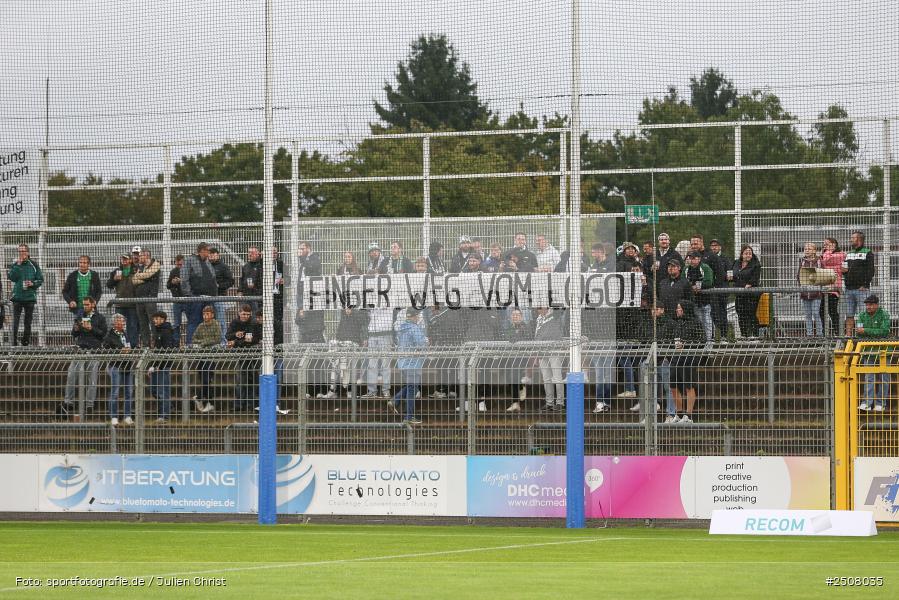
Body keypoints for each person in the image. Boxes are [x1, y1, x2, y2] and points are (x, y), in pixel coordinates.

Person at [57, 296, 106, 418]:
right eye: (84, 305)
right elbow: (74, 334)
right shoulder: (79, 316)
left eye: (87, 304)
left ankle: (89, 404)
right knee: (71, 374)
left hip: (94, 350)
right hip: (81, 349)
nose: (85, 307)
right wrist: (76, 328)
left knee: (92, 378)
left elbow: (103, 334)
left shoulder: (100, 318)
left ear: (93, 304)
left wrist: (91, 328)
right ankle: (68, 402)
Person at [661, 302, 705, 423]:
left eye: (679, 308)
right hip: (676, 358)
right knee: (673, 386)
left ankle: (688, 416)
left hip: (689, 358)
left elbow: (702, 341)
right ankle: (679, 414)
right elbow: (670, 339)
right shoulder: (677, 323)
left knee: (689, 386)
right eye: (677, 308)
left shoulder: (696, 323)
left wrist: (687, 345)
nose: (677, 310)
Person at [390, 308, 428, 423]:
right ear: (414, 316)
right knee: (412, 389)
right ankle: (408, 417)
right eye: (417, 316)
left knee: (412, 386)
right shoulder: (415, 329)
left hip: (402, 363)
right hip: (413, 363)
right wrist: (426, 342)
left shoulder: (401, 329)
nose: (418, 318)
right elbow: (421, 345)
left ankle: (395, 401)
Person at [856, 294, 891, 412]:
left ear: (877, 305)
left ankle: (881, 403)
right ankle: (866, 402)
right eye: (867, 305)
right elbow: (858, 333)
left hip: (883, 351)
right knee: (868, 377)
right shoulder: (861, 315)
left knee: (884, 378)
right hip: (868, 350)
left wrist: (866, 330)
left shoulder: (884, 314)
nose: (868, 307)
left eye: (871, 305)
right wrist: (867, 332)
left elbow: (884, 331)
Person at [180, 242, 218, 344]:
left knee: (208, 323)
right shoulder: (189, 260)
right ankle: (191, 346)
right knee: (194, 321)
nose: (209, 253)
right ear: (202, 251)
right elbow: (184, 279)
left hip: (209, 298)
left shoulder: (207, 262)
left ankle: (206, 346)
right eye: (208, 251)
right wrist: (189, 295)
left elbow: (213, 279)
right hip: (195, 298)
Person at [7, 243, 43, 346]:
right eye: (20, 251)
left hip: (29, 298)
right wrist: (18, 265)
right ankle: (13, 343)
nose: (21, 253)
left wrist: (33, 283)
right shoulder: (16, 264)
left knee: (28, 322)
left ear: (28, 252)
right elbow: (12, 277)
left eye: (23, 251)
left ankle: (25, 342)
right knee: (15, 322)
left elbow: (40, 279)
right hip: (17, 298)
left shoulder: (34, 264)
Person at [227, 304, 261, 411]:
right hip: (241, 354)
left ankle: (250, 405)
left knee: (252, 379)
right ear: (239, 313)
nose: (245, 316)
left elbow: (251, 339)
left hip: (252, 354)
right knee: (241, 380)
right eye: (243, 314)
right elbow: (227, 336)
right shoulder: (234, 323)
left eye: (247, 314)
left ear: (250, 314)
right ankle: (239, 404)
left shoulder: (253, 323)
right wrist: (236, 335)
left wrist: (235, 342)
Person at [501, 307, 534, 413]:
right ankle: (521, 387)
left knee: (514, 375)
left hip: (522, 356)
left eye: (517, 315)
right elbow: (507, 338)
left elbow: (526, 338)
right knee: (509, 376)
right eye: (513, 315)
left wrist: (515, 338)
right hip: (510, 356)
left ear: (521, 316)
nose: (515, 317)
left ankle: (516, 402)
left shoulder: (526, 327)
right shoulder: (509, 327)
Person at [843, 231, 876, 337]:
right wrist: (844, 271)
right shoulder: (849, 253)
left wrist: (865, 285)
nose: (850, 240)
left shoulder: (868, 252)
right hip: (848, 289)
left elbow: (871, 270)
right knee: (849, 314)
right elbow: (845, 269)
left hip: (861, 290)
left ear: (859, 240)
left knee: (862, 314)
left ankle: (861, 334)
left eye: (853, 238)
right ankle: (848, 336)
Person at [103, 314, 134, 426]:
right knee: (115, 392)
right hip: (115, 365)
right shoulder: (109, 335)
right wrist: (120, 351)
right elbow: (106, 350)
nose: (123, 323)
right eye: (120, 321)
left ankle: (127, 416)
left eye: (123, 321)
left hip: (127, 365)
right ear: (115, 323)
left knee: (128, 393)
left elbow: (129, 346)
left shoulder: (125, 334)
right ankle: (114, 417)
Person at [534, 306, 565, 412]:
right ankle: (549, 403)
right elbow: (536, 336)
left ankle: (560, 402)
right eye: (538, 308)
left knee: (557, 377)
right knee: (546, 379)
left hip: (554, 350)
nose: (539, 309)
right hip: (542, 352)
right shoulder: (538, 319)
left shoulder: (554, 316)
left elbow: (560, 309)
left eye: (541, 307)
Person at [191, 305, 221, 414]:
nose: (205, 316)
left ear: (212, 315)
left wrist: (203, 342)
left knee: (207, 380)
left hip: (211, 357)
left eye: (207, 314)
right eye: (204, 314)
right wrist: (202, 343)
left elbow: (217, 339)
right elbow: (194, 338)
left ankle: (202, 399)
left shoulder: (216, 325)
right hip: (201, 356)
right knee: (203, 379)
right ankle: (207, 402)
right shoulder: (200, 326)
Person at [148, 311, 176, 423]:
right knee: (154, 390)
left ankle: (164, 415)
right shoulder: (157, 331)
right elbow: (156, 351)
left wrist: (159, 366)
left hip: (163, 367)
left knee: (162, 391)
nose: (156, 321)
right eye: (155, 319)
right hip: (157, 366)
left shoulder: (166, 332)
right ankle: (168, 406)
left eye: (158, 318)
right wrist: (153, 366)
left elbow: (167, 352)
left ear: (163, 319)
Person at [106, 253, 139, 348]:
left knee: (132, 326)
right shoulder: (117, 271)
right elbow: (109, 285)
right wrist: (114, 279)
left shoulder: (136, 270)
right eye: (122, 259)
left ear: (130, 260)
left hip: (132, 303)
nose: (124, 260)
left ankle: (132, 346)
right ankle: (120, 346)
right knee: (118, 325)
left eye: (126, 259)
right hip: (120, 304)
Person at [362, 307, 395, 398]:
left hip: (386, 334)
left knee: (385, 364)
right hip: (372, 335)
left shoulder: (389, 299)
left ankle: (386, 390)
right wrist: (365, 336)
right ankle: (372, 391)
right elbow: (365, 318)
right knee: (372, 365)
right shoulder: (370, 299)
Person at [132, 248, 162, 347]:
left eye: (141, 256)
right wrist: (144, 278)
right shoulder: (139, 267)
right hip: (139, 299)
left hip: (150, 299)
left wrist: (140, 276)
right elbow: (133, 281)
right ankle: (146, 345)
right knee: (143, 324)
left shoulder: (155, 264)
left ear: (146, 256)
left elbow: (148, 275)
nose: (138, 258)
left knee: (153, 323)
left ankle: (157, 344)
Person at [731, 245, 761, 338]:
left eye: (750, 253)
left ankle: (755, 335)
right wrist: (730, 278)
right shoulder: (736, 263)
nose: (748, 255)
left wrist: (749, 284)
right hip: (739, 293)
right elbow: (733, 275)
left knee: (751, 313)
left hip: (751, 293)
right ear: (742, 254)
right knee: (740, 313)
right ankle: (744, 335)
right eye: (746, 253)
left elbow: (755, 278)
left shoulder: (756, 264)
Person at [684, 250, 714, 342]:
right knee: (699, 323)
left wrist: (698, 286)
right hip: (694, 301)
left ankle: (709, 342)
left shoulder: (705, 267)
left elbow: (709, 281)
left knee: (707, 322)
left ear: (699, 259)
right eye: (690, 258)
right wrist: (691, 287)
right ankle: (702, 341)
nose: (691, 260)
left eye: (693, 258)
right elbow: (683, 282)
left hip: (706, 301)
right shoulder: (686, 269)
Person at [207, 247, 234, 345]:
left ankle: (223, 343)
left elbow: (231, 281)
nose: (211, 256)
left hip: (219, 297)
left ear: (218, 255)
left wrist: (220, 286)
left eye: (213, 254)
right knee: (207, 320)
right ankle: (210, 343)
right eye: (210, 254)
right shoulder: (205, 266)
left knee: (220, 320)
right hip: (207, 297)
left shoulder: (223, 267)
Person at [819, 238, 845, 336]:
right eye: (824, 244)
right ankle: (826, 332)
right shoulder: (826, 254)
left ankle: (838, 332)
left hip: (834, 288)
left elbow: (826, 260)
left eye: (827, 244)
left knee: (832, 311)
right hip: (825, 287)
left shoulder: (840, 254)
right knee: (822, 312)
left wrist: (827, 251)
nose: (824, 246)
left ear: (834, 244)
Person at [798, 242, 824, 337]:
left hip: (816, 293)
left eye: (809, 249)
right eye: (805, 249)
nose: (807, 250)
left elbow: (822, 275)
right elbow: (799, 276)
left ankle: (819, 334)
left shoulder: (819, 261)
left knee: (816, 313)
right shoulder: (803, 262)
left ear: (814, 250)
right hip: (805, 293)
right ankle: (809, 334)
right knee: (808, 314)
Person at [708, 238, 731, 340]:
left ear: (720, 247)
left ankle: (724, 336)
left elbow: (730, 274)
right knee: (712, 313)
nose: (714, 247)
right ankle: (712, 336)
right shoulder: (708, 258)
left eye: (716, 245)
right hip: (711, 291)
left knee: (722, 313)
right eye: (712, 246)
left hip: (722, 291)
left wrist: (725, 277)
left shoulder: (725, 259)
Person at [167, 255, 187, 343]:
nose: (179, 266)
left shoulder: (188, 271)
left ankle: (189, 343)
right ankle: (176, 343)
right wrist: (172, 282)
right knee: (176, 323)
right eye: (177, 264)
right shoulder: (173, 271)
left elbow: (193, 284)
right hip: (177, 300)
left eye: (180, 264)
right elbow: (168, 285)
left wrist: (181, 281)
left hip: (187, 300)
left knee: (191, 321)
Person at [239, 246, 263, 311]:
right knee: (244, 313)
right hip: (246, 295)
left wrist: (255, 285)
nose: (250, 254)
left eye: (252, 252)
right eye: (249, 252)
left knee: (256, 315)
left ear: (258, 254)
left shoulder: (262, 264)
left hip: (257, 296)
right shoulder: (246, 266)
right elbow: (242, 279)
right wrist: (240, 290)